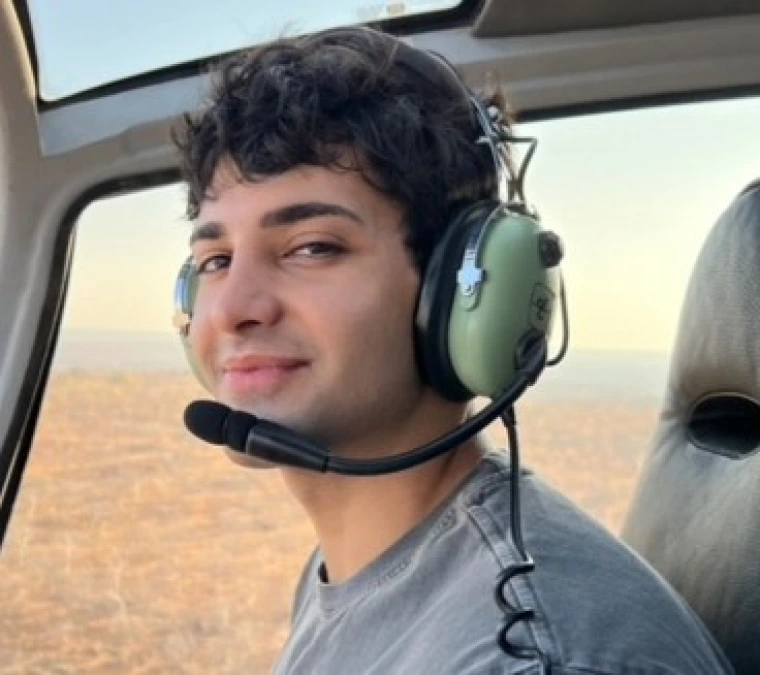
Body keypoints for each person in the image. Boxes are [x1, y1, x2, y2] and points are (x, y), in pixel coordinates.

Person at [172, 26, 734, 675]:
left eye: (312, 246)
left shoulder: (532, 656)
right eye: (214, 259)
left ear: (467, 294)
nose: (234, 307)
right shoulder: (365, 565)